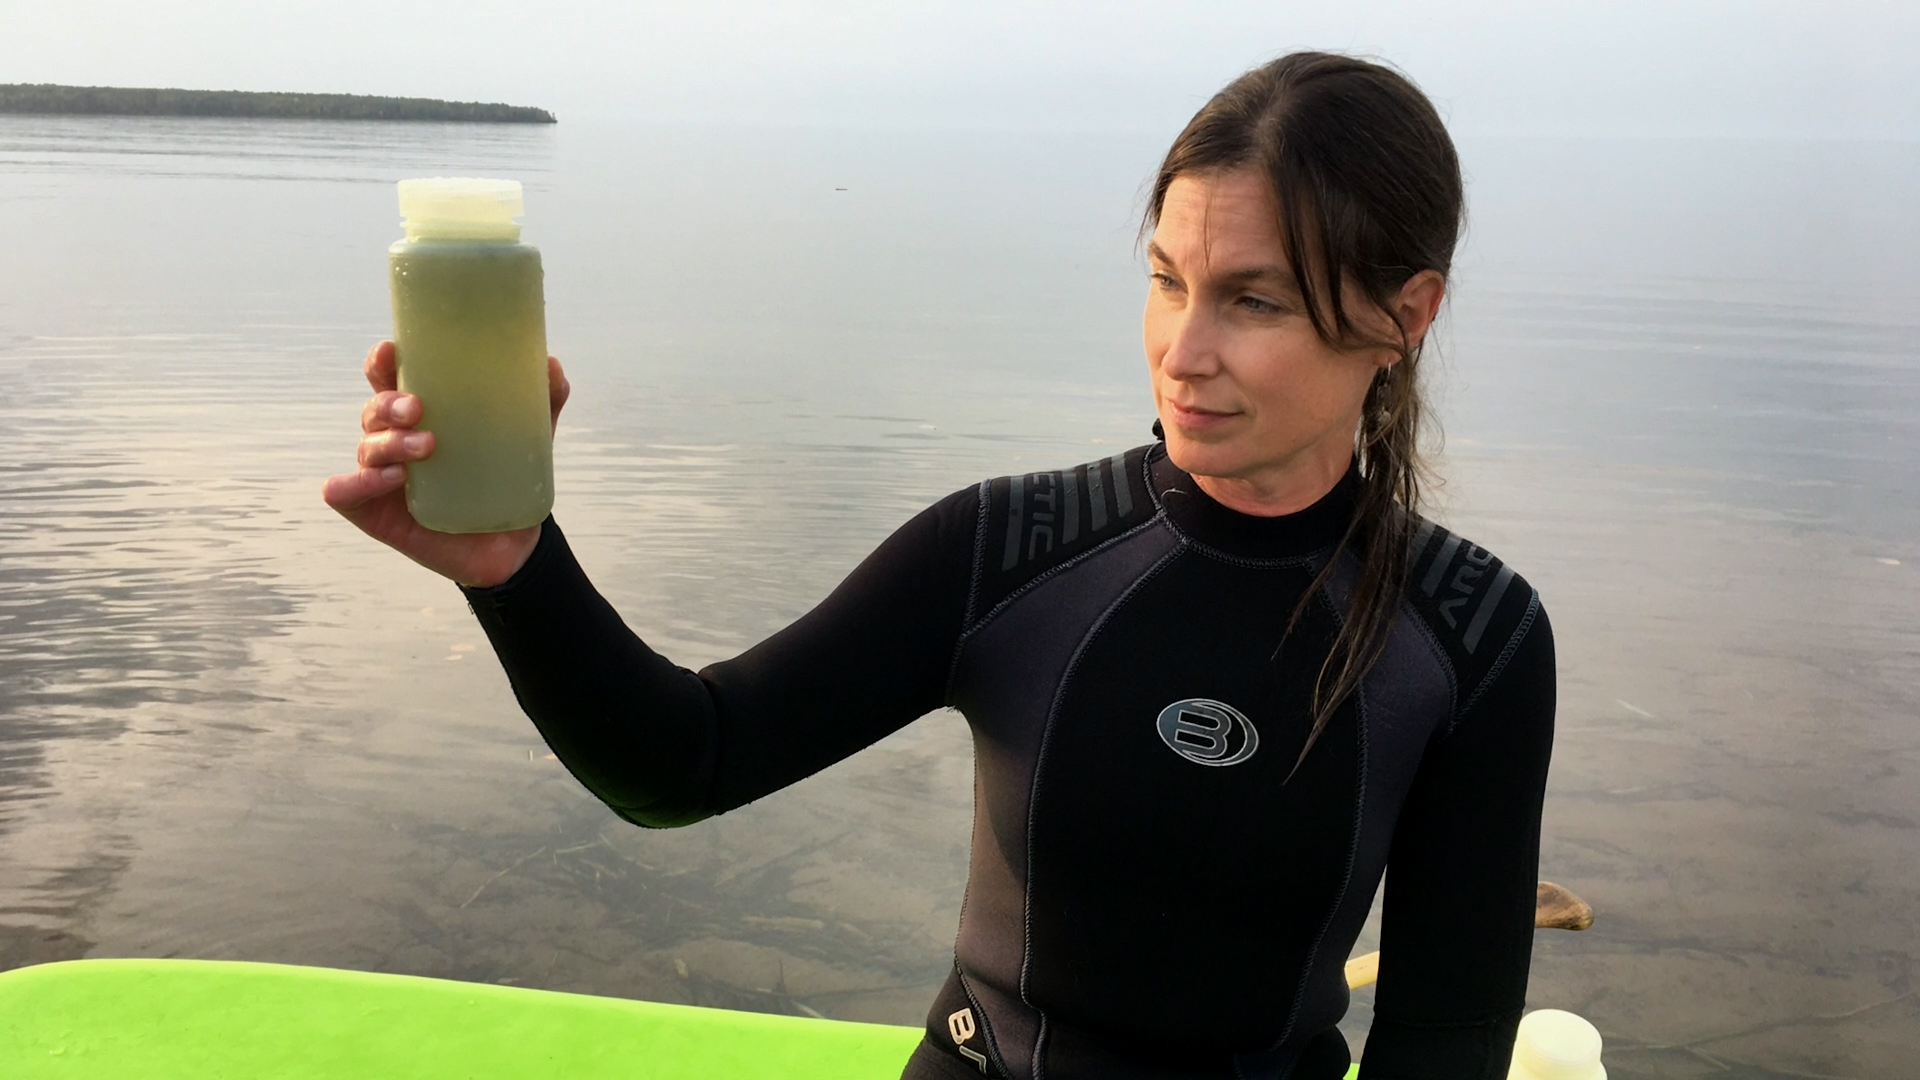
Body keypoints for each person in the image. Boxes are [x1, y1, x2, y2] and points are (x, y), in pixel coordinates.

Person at [323, 52, 1555, 1080]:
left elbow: (1442, 1042)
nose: (1184, 351)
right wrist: (513, 570)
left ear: (1408, 314)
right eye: (1167, 282)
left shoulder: (1471, 637)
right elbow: (680, 762)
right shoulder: (1013, 551)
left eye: (1254, 302)